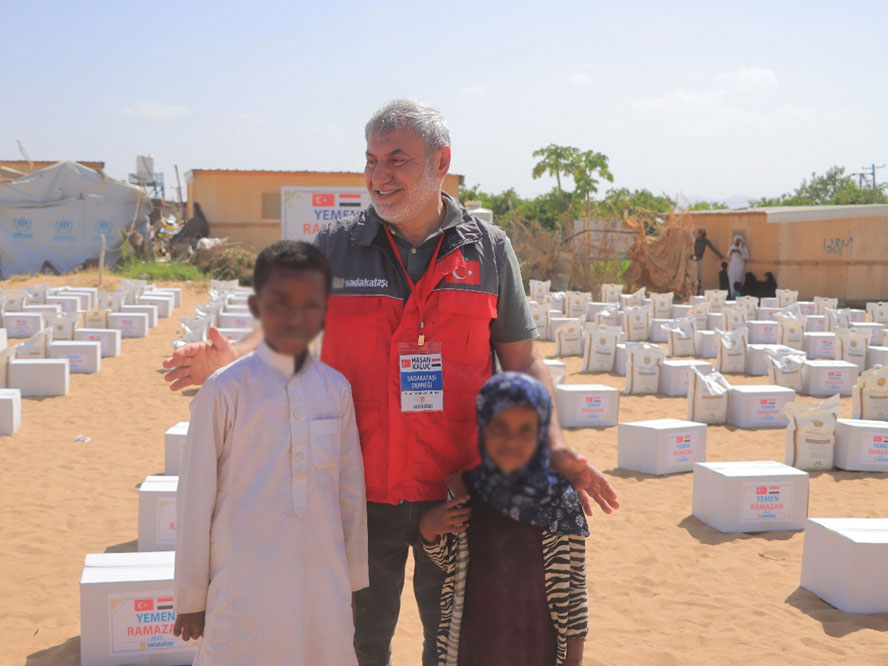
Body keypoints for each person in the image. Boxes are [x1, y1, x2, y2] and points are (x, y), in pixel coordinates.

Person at [163, 99, 618, 666]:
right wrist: (231, 360)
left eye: (397, 159)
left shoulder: (488, 250)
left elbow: (522, 361)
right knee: (357, 642)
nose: (379, 175)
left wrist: (555, 445)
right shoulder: (335, 247)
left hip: (457, 490)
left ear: (441, 162)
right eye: (371, 160)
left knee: (451, 639)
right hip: (358, 488)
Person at [171, 240, 369, 665]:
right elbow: (194, 498)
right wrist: (191, 596)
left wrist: (350, 584)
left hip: (322, 584)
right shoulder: (224, 390)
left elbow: (350, 495)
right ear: (258, 308)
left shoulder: (335, 389)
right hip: (244, 585)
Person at [420, 372, 588, 666]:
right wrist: (429, 529)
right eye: (500, 427)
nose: (512, 439)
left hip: (538, 644)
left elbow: (575, 588)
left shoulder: (561, 499)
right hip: (475, 643)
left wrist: (574, 658)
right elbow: (450, 562)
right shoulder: (465, 490)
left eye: (525, 429)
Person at [691, 228, 723, 295]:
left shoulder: (705, 241)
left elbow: (712, 248)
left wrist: (719, 255)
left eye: (702, 234)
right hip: (692, 260)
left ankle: (698, 292)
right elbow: (691, 248)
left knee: (699, 277)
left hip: (699, 260)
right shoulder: (695, 240)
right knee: (692, 277)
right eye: (700, 233)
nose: (700, 235)